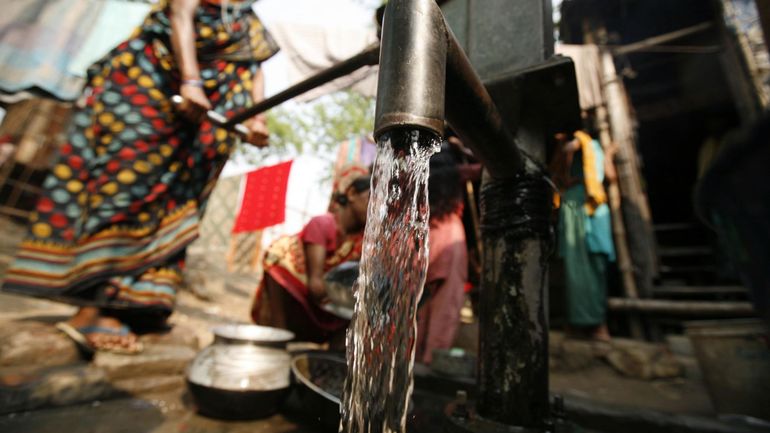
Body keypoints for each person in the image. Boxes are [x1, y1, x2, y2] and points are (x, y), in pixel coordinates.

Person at [1, 0, 279, 354]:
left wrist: (258, 119)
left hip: (200, 113)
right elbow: (180, 15)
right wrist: (192, 81)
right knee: (127, 186)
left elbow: (252, 65)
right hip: (149, 87)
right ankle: (93, 307)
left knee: (177, 196)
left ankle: (139, 304)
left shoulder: (245, 18)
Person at [251, 165, 371, 344]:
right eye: (371, 198)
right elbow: (316, 287)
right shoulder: (323, 224)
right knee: (280, 253)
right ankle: (278, 336)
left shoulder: (363, 240)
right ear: (352, 194)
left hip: (330, 298)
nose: (376, 207)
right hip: (306, 288)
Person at [550, 128, 616, 342]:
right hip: (574, 205)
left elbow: (611, 177)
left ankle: (599, 322)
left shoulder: (593, 147)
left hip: (593, 206)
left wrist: (608, 156)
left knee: (597, 262)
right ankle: (577, 324)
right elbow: (558, 175)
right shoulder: (569, 149)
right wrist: (565, 147)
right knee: (574, 268)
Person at [415, 150, 469, 364]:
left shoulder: (421, 175)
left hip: (423, 234)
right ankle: (430, 362)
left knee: (417, 307)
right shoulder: (457, 172)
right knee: (444, 309)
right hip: (449, 238)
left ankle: (410, 363)